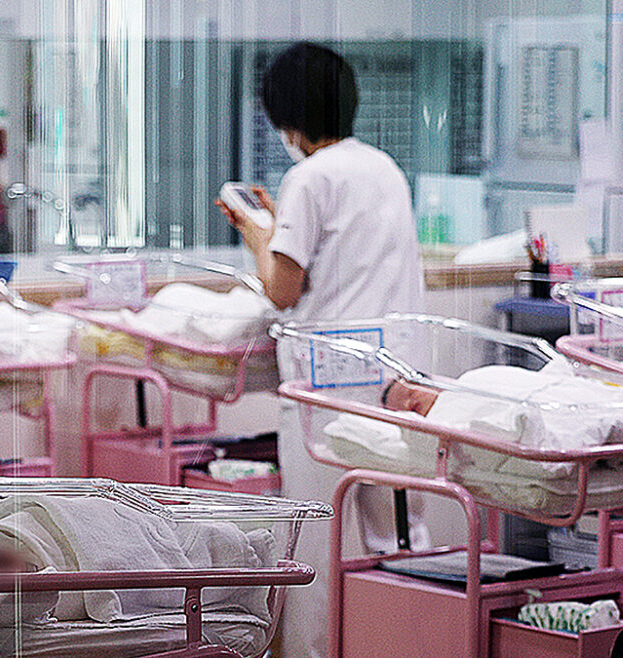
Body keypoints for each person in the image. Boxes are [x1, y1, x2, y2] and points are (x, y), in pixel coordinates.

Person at [215, 42, 426, 658]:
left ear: (286, 115)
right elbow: (345, 263)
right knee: (400, 545)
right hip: (393, 380)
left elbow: (284, 290)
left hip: (324, 390)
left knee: (314, 546)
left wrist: (261, 234)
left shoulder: (309, 176)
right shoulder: (383, 167)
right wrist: (286, 230)